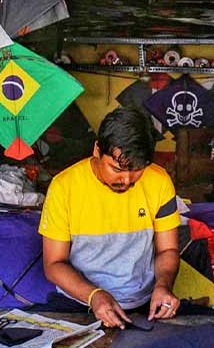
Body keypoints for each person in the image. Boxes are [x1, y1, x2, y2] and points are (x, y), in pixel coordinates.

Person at [38, 107, 181, 328]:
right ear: (97, 149)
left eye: (136, 171)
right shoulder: (64, 187)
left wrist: (163, 285)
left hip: (143, 306)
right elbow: (54, 264)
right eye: (117, 169)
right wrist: (94, 295)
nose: (126, 180)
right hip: (79, 303)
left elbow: (167, 250)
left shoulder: (159, 182)